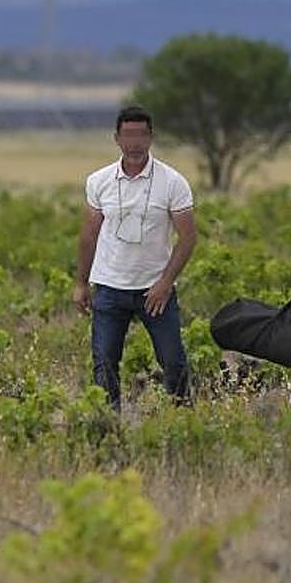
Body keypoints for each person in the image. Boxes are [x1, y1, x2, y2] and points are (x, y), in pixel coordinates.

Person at [73, 105, 197, 410]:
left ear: (151, 137)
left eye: (141, 135)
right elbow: (88, 235)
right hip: (110, 286)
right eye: (128, 135)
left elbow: (189, 237)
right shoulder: (99, 181)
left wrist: (166, 282)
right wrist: (81, 283)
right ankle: (107, 427)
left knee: (173, 360)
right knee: (104, 362)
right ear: (117, 139)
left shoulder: (172, 182)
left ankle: (181, 421)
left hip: (154, 290)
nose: (134, 142)